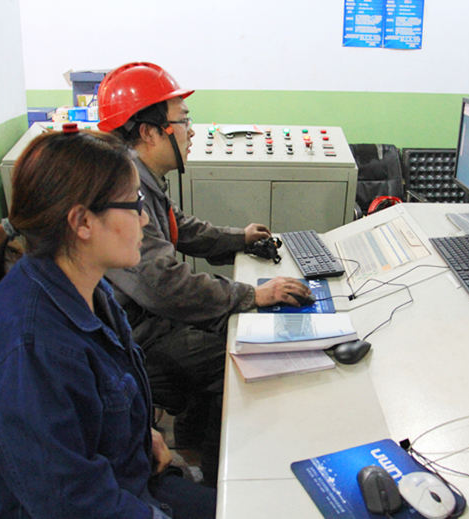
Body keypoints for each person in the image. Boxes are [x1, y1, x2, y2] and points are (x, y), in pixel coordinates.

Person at [0, 126, 215, 519]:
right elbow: (71, 505)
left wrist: (136, 437)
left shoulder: (90, 291)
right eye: (134, 204)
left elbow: (88, 412)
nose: (145, 218)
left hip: (116, 482)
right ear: (82, 222)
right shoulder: (28, 348)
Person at [97, 62, 311, 485]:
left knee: (231, 328)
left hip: (148, 319)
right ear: (150, 132)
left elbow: (178, 226)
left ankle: (195, 446)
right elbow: (164, 285)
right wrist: (252, 295)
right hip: (140, 335)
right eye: (183, 121)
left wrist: (238, 238)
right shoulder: (125, 188)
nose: (191, 131)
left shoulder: (138, 177)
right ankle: (222, 483)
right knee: (238, 358)